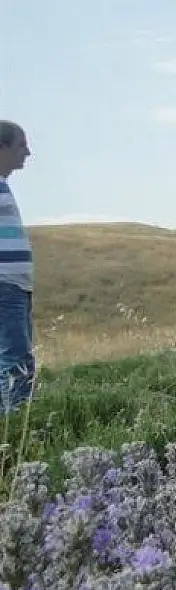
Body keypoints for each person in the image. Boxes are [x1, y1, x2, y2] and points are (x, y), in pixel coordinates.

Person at [0, 120, 34, 415]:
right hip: (5, 284)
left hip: (16, 285)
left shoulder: (3, 185)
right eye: (21, 145)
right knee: (16, 360)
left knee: (15, 358)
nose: (28, 152)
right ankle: (17, 429)